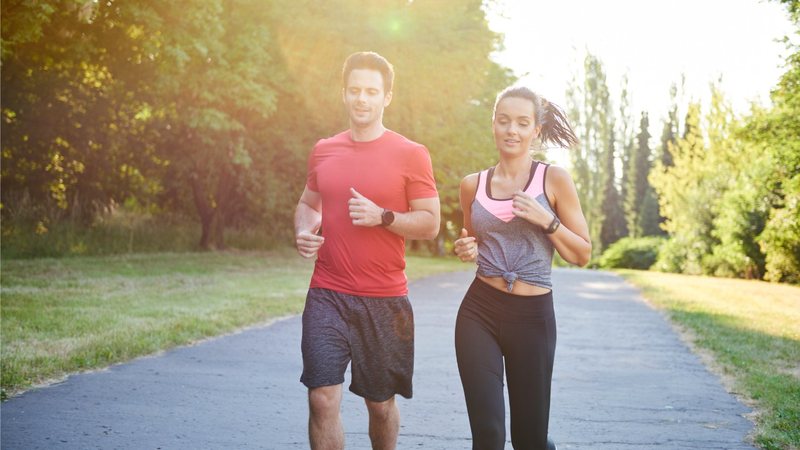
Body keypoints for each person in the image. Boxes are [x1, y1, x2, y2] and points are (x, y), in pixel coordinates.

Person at [294, 51, 440, 450]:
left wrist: (384, 217)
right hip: (328, 292)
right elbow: (309, 203)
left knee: (380, 404)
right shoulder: (324, 149)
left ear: (386, 97)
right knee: (322, 397)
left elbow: (430, 221)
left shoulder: (411, 153)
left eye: (371, 91)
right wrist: (305, 230)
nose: (362, 98)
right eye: (355, 90)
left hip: (384, 299)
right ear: (344, 94)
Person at [453, 86, 592, 450]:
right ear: (493, 125)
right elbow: (472, 239)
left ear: (536, 130)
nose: (511, 130)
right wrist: (465, 248)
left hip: (533, 317)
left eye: (521, 122)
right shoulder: (472, 185)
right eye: (504, 121)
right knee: (488, 435)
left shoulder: (554, 179)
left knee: (529, 441)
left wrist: (547, 221)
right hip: (479, 310)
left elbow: (582, 254)